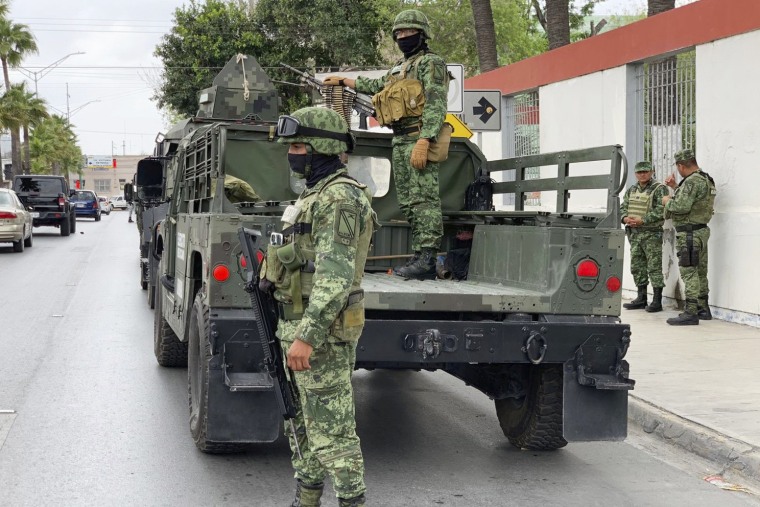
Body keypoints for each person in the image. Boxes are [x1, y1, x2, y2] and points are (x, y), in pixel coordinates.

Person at [271, 106, 375, 507]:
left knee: (333, 432)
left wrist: (307, 338)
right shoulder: (312, 195)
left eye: (299, 145)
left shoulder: (340, 198)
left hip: (320, 336)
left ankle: (351, 500)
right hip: (295, 326)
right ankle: (307, 499)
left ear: (322, 148)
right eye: (291, 146)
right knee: (301, 423)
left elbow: (334, 277)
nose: (292, 153)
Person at [323, 9, 449, 279]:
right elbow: (377, 84)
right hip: (401, 139)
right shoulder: (400, 69)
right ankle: (419, 255)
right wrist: (346, 81)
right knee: (407, 202)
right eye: (399, 33)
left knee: (423, 200)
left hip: (418, 137)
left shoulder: (431, 63)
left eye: (408, 32)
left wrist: (425, 140)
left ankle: (427, 258)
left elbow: (437, 103)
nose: (403, 37)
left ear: (421, 34)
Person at [662, 149, 716, 325]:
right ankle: (703, 308)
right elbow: (694, 200)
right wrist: (676, 187)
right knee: (700, 271)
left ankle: (691, 312)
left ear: (680, 165)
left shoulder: (692, 181)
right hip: (701, 231)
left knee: (689, 271)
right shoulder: (705, 179)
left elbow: (682, 206)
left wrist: (667, 201)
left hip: (689, 234)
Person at [620, 161, 669, 312]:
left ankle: (657, 300)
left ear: (652, 172)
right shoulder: (632, 190)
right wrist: (625, 218)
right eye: (639, 172)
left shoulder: (659, 189)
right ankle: (641, 298)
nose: (642, 174)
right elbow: (623, 207)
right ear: (635, 174)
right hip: (635, 234)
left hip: (651, 234)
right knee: (637, 267)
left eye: (645, 172)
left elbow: (662, 210)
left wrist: (643, 220)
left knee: (654, 267)